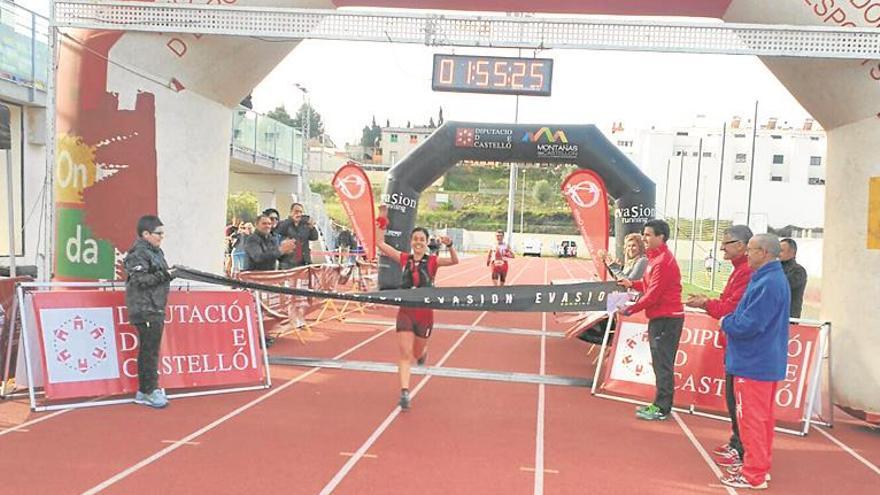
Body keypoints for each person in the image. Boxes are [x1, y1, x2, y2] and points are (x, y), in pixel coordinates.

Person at [719, 234, 790, 490]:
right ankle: (759, 466)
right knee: (761, 420)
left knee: (752, 421)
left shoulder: (768, 282)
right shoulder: (768, 278)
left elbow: (750, 323)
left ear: (765, 252)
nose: (746, 254)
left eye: (750, 250)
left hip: (754, 362)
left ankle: (754, 474)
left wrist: (725, 322)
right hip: (763, 360)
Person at [376, 210, 459, 411]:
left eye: (422, 239)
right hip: (406, 312)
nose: (418, 242)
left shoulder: (433, 261)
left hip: (425, 314)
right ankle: (404, 392)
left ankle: (423, 352)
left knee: (416, 352)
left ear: (426, 241)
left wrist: (449, 245)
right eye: (415, 239)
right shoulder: (405, 258)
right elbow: (381, 244)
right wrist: (382, 218)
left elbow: (454, 261)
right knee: (404, 353)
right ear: (411, 241)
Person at [685, 225, 753, 469]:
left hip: (742, 347)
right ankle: (738, 443)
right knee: (733, 398)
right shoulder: (739, 270)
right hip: (734, 344)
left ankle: (744, 451)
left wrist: (705, 304)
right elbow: (727, 303)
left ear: (743, 246)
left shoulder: (746, 272)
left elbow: (732, 309)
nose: (721, 247)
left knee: (740, 402)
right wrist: (708, 303)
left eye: (727, 242)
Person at [618, 219, 684, 421]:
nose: (644, 238)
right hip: (660, 318)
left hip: (667, 319)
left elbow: (653, 295)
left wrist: (629, 309)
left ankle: (662, 407)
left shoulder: (663, 261)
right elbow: (649, 286)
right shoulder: (654, 259)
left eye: (648, 235)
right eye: (644, 234)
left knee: (663, 364)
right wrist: (632, 283)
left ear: (660, 237)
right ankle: (660, 404)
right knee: (659, 363)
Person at [124, 215, 175, 409]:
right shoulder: (138, 253)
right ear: (146, 234)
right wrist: (166, 275)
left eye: (163, 233)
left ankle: (147, 389)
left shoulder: (156, 251)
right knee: (149, 351)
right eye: (158, 233)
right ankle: (148, 390)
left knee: (151, 350)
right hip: (144, 308)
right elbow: (141, 280)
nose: (162, 237)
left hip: (155, 307)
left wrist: (168, 274)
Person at [577, 233, 648, 344]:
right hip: (626, 296)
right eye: (628, 246)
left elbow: (629, 281)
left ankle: (607, 335)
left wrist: (612, 266)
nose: (631, 248)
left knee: (604, 302)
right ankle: (604, 332)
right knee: (598, 298)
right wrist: (607, 263)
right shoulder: (630, 262)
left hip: (635, 299)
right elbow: (618, 278)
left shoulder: (642, 261)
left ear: (640, 247)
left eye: (634, 245)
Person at [276, 203, 319, 269]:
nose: (298, 214)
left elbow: (314, 237)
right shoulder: (284, 223)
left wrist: (312, 227)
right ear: (291, 212)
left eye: (300, 212)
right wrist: (292, 220)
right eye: (296, 211)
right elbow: (279, 231)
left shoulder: (305, 225)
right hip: (288, 262)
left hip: (304, 261)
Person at [779, 238, 807, 318]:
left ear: (792, 253)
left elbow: (781, 287)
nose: (778, 253)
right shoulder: (776, 268)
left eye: (781, 251)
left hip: (788, 317)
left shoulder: (798, 271)